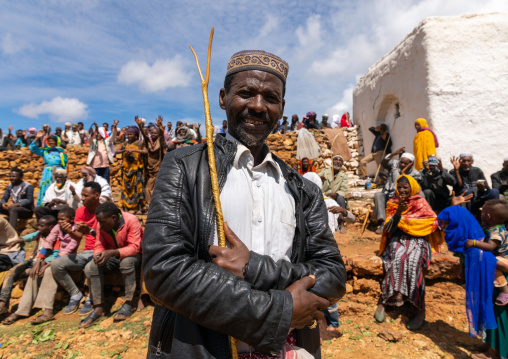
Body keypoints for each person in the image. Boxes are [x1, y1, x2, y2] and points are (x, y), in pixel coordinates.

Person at [143, 49, 346, 358]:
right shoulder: (185, 166)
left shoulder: (303, 189)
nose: (258, 106)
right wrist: (278, 312)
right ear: (223, 98)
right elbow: (163, 271)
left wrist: (254, 269)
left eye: (271, 98)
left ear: (282, 107)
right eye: (246, 94)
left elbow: (332, 274)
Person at [374, 175, 438, 330]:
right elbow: (388, 229)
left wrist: (413, 224)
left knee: (413, 263)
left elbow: (432, 223)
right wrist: (398, 213)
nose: (402, 190)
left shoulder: (421, 203)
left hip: (419, 241)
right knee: (396, 260)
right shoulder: (392, 203)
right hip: (398, 239)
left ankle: (419, 308)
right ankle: (386, 301)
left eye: (405, 187)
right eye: (399, 187)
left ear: (413, 188)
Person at [2, 207, 81, 325]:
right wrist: (39, 262)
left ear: (71, 219)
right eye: (58, 219)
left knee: (48, 271)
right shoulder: (57, 227)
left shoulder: (76, 229)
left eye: (62, 219)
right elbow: (48, 243)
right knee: (34, 273)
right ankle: (21, 311)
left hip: (68, 259)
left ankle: (48, 311)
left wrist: (46, 265)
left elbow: (67, 251)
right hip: (54, 259)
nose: (60, 221)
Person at [79, 202, 143, 327]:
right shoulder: (101, 224)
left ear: (114, 218)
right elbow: (99, 244)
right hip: (113, 255)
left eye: (103, 222)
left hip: (134, 256)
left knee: (126, 262)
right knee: (91, 266)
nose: (100, 225)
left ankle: (130, 302)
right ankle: (99, 307)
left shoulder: (131, 220)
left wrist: (112, 252)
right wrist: (98, 255)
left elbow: (135, 247)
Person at [437, 205, 498, 337]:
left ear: (459, 224)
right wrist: (462, 270)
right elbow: (461, 256)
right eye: (442, 224)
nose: (443, 228)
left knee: (487, 305)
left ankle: (493, 349)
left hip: (491, 278)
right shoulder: (461, 240)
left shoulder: (476, 244)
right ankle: (486, 342)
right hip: (480, 276)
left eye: (447, 224)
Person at [50, 182, 101, 315]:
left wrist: (90, 230)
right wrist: (70, 231)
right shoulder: (80, 211)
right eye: (82, 195)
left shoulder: (105, 210)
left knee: (90, 268)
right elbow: (78, 237)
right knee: (56, 264)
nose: (82, 198)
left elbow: (109, 236)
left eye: (85, 195)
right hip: (87, 251)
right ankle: (75, 294)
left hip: (102, 250)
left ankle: (92, 297)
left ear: (96, 195)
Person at [0, 215, 57, 318]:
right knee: (11, 272)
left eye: (41, 225)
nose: (38, 227)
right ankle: (3, 302)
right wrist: (20, 240)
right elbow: (31, 236)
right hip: (30, 261)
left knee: (27, 275)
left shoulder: (56, 238)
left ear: (51, 227)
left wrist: (44, 263)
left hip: (39, 265)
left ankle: (15, 310)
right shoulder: (41, 234)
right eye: (38, 225)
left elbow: (55, 254)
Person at [373, 148, 422, 234]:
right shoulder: (395, 164)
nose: (402, 164)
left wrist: (403, 173)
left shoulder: (416, 174)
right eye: (401, 162)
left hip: (402, 197)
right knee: (378, 195)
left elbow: (409, 187)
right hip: (388, 193)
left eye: (405, 163)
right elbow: (383, 163)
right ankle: (383, 223)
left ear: (411, 164)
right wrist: (393, 154)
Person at [30, 131, 68, 207]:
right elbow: (32, 148)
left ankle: (58, 206)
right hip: (47, 173)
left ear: (57, 141)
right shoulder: (45, 151)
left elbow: (65, 165)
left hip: (59, 171)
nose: (50, 143)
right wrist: (37, 138)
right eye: (49, 141)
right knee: (46, 187)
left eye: (52, 141)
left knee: (59, 186)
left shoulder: (62, 152)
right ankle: (44, 205)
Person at [136, 116, 166, 205]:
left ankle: (157, 203)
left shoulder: (160, 141)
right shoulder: (148, 141)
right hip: (149, 168)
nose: (153, 135)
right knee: (148, 187)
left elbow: (162, 136)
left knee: (157, 186)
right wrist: (140, 126)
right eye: (151, 133)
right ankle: (149, 204)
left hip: (158, 167)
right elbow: (144, 135)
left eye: (155, 133)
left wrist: (160, 127)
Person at [117, 125, 146, 214]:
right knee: (126, 189)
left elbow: (145, 152)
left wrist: (134, 150)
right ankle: (126, 208)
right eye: (128, 134)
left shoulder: (140, 143)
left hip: (136, 170)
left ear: (136, 135)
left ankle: (139, 208)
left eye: (131, 134)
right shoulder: (125, 144)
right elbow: (117, 151)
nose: (129, 136)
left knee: (138, 189)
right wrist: (124, 150)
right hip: (126, 170)